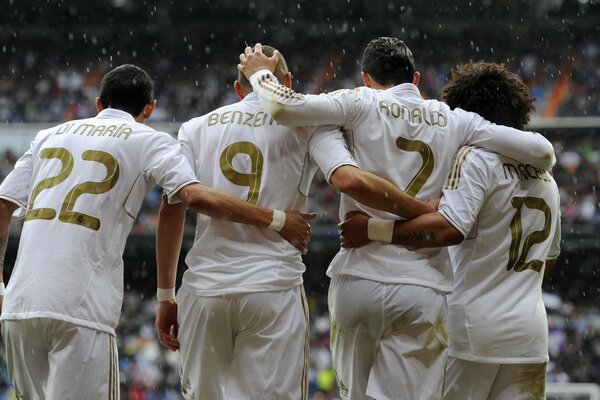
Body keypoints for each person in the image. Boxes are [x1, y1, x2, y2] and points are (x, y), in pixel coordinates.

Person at [239, 39, 557, 400]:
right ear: (416, 78)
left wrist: (259, 73)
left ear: (366, 77)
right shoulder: (455, 120)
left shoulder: (358, 99)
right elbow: (542, 151)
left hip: (358, 276)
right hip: (423, 286)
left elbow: (282, 107)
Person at [0, 64, 312, 400]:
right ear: (150, 108)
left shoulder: (48, 136)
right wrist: (277, 219)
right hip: (80, 308)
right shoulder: (150, 140)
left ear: (98, 104)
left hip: (19, 308)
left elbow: (4, 205)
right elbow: (190, 196)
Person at [155, 45, 436, 400]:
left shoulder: (194, 129)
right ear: (287, 82)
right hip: (272, 286)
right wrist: (422, 210)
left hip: (205, 289)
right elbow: (347, 178)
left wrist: (166, 295)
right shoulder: (307, 124)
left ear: (237, 88)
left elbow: (173, 206)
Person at [339, 61, 561, 400]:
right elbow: (549, 260)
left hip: (470, 331)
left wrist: (372, 230)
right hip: (529, 334)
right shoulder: (548, 180)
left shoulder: (475, 158)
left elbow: (448, 230)